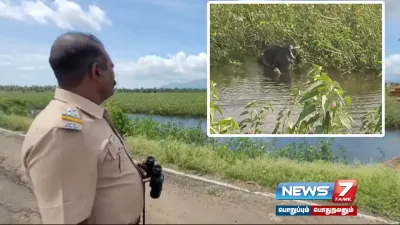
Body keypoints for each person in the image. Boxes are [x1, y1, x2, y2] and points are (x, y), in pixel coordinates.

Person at [21, 31, 145, 224]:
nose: (114, 75)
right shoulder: (62, 132)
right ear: (97, 71)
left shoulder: (87, 116)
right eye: (111, 68)